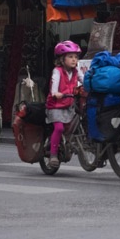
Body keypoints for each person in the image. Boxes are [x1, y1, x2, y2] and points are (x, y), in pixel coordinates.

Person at [45, 40, 84, 168]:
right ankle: (53, 155)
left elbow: (84, 80)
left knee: (71, 127)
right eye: (70, 57)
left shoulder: (76, 71)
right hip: (55, 106)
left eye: (76, 57)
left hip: (69, 105)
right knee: (59, 128)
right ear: (62, 59)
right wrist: (56, 93)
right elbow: (54, 87)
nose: (74, 60)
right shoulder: (57, 71)